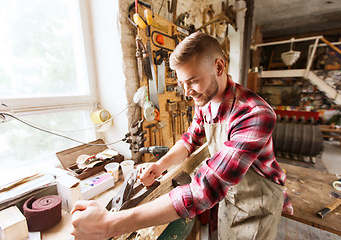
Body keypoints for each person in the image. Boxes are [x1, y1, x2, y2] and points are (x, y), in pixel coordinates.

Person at [71, 32, 292, 240]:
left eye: (193, 81)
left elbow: (205, 189)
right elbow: (191, 138)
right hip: (231, 194)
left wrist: (110, 224)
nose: (187, 91)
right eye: (182, 83)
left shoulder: (254, 114)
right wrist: (160, 166)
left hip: (257, 203)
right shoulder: (205, 100)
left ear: (219, 66)